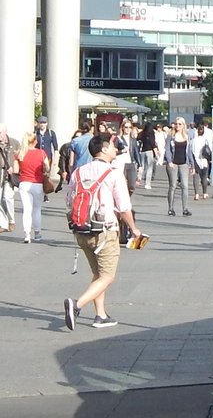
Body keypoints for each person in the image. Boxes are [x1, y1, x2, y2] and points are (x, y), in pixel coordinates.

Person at [63, 132, 142, 329]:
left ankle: (100, 315)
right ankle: (76, 305)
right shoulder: (113, 173)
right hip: (105, 230)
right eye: (113, 146)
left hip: (82, 230)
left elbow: (69, 200)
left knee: (98, 274)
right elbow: (124, 207)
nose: (116, 149)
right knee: (107, 276)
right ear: (104, 149)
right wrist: (134, 229)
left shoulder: (78, 172)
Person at [15, 131, 50, 243]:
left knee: (27, 209)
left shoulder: (19, 153)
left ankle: (27, 235)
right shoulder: (41, 153)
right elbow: (47, 168)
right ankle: (37, 233)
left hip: (24, 183)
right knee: (36, 209)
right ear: (35, 141)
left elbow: (15, 170)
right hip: (37, 183)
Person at [164, 117, 192, 216]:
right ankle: (170, 208)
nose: (178, 126)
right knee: (173, 186)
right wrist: (169, 161)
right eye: (176, 124)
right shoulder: (171, 136)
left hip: (184, 163)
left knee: (185, 186)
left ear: (184, 125)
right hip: (173, 163)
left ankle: (185, 209)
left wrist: (192, 164)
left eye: (180, 124)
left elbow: (189, 151)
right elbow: (167, 149)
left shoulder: (186, 136)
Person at [115, 119, 141, 196]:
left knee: (132, 186)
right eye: (126, 127)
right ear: (122, 128)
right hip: (121, 163)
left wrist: (140, 165)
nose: (128, 129)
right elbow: (114, 152)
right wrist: (121, 151)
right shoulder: (118, 139)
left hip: (131, 162)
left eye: (130, 127)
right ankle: (123, 200)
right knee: (121, 184)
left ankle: (127, 198)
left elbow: (136, 152)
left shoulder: (133, 140)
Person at [0, 125, 18, 232]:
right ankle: (3, 224)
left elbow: (20, 158)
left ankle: (11, 220)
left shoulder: (14, 143)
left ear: (5, 132)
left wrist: (15, 169)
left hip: (9, 175)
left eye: (0, 133)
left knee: (7, 198)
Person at [188, 123, 212, 200]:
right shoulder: (205, 140)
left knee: (196, 178)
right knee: (204, 177)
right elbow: (209, 151)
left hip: (195, 161)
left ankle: (196, 194)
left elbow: (190, 151)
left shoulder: (192, 141)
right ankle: (204, 193)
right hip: (204, 160)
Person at [137, 119, 158, 190]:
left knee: (142, 166)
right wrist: (156, 152)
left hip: (142, 151)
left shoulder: (142, 133)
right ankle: (147, 184)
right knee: (149, 167)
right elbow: (152, 143)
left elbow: (138, 140)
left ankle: (139, 178)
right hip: (149, 151)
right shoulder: (151, 133)